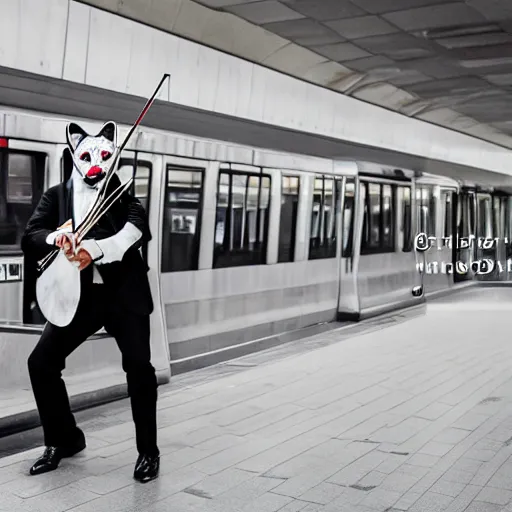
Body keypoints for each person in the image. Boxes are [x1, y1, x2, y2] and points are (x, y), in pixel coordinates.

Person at [21, 121, 159, 483]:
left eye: (103, 155)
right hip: (82, 297)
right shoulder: (56, 195)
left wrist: (93, 250)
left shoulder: (126, 194)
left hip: (125, 296)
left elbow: (134, 233)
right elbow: (30, 235)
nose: (95, 164)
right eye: (86, 156)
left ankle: (148, 452)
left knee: (139, 370)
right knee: (41, 362)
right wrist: (56, 238)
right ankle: (64, 440)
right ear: (73, 155)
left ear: (113, 155)